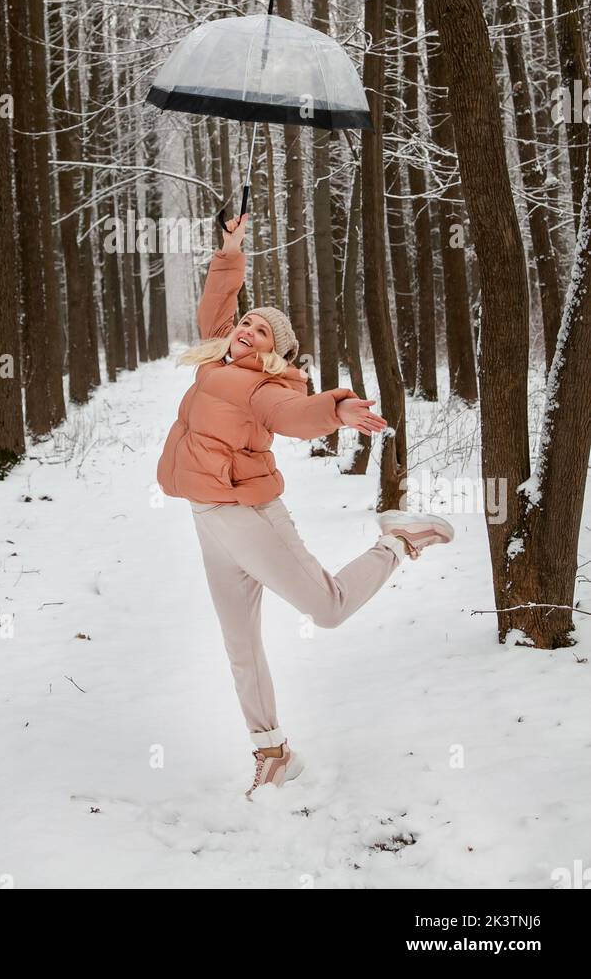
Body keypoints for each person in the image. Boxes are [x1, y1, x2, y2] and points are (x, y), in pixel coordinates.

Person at [156, 212, 454, 799]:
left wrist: (337, 408)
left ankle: (400, 540)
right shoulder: (219, 359)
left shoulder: (271, 386)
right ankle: (273, 754)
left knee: (328, 609)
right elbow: (220, 300)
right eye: (245, 323)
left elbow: (294, 417)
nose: (246, 330)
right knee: (239, 644)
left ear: (278, 350)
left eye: (261, 332)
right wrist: (232, 247)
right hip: (208, 517)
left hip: (248, 516)